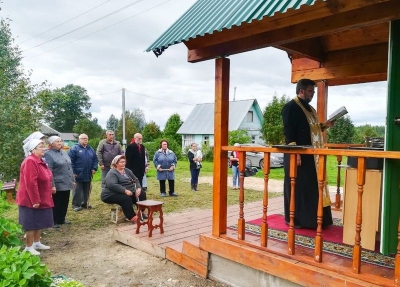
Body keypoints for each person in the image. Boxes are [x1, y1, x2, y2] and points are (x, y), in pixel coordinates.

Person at [281, 78, 334, 229]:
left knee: (312, 187)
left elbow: (312, 130)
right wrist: (295, 153)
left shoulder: (311, 109)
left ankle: (315, 219)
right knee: (299, 188)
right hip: (298, 155)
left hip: (312, 156)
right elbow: (289, 133)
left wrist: (324, 126)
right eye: (310, 91)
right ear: (301, 90)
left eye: (313, 91)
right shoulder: (290, 107)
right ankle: (298, 220)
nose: (313, 94)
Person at [17, 139, 54, 255]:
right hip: (30, 198)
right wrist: (35, 200)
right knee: (31, 222)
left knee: (39, 220)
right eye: (41, 147)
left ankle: (36, 242)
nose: (44, 149)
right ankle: (28, 246)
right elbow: (30, 183)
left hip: (42, 195)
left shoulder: (39, 160)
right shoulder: (30, 161)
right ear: (33, 149)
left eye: (44, 146)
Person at [101, 155, 144, 223]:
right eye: (121, 162)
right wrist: (125, 190)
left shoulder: (127, 171)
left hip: (126, 191)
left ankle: (141, 212)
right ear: (116, 163)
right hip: (110, 194)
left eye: (124, 162)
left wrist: (138, 188)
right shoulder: (112, 172)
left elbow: (136, 179)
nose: (123, 163)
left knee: (141, 194)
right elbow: (112, 185)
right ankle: (132, 217)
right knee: (126, 199)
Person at [44, 136, 75, 228]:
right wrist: (52, 185)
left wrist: (72, 180)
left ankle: (62, 218)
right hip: (58, 182)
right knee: (57, 202)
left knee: (65, 201)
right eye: (57, 141)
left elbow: (69, 166)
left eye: (61, 141)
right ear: (51, 144)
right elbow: (49, 171)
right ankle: (54, 221)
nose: (60, 143)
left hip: (67, 181)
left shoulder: (64, 152)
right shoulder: (48, 154)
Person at [68, 134, 98, 211]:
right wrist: (73, 172)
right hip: (78, 173)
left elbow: (95, 159)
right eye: (83, 138)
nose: (85, 140)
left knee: (87, 189)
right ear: (79, 139)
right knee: (77, 190)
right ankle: (76, 205)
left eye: (86, 138)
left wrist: (94, 168)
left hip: (88, 173)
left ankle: (85, 203)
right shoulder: (74, 149)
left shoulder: (90, 149)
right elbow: (70, 161)